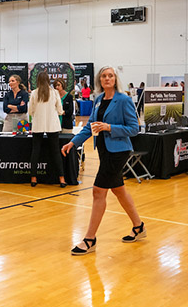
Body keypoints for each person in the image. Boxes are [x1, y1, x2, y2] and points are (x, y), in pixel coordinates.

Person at [61, 66, 144, 256]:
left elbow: (133, 129)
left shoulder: (123, 100)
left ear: (115, 79)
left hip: (119, 151)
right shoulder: (98, 100)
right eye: (104, 76)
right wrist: (73, 143)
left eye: (110, 76)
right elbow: (90, 127)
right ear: (99, 80)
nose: (107, 78)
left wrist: (109, 127)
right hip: (104, 151)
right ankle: (138, 227)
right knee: (118, 190)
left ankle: (90, 239)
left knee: (98, 191)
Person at [29, 71, 66, 188]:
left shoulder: (34, 93)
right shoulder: (54, 92)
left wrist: (36, 114)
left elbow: (30, 110)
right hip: (52, 125)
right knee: (56, 152)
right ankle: (62, 179)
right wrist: (60, 112)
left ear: (38, 81)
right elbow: (60, 109)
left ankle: (33, 178)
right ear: (48, 81)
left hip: (38, 125)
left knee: (35, 151)